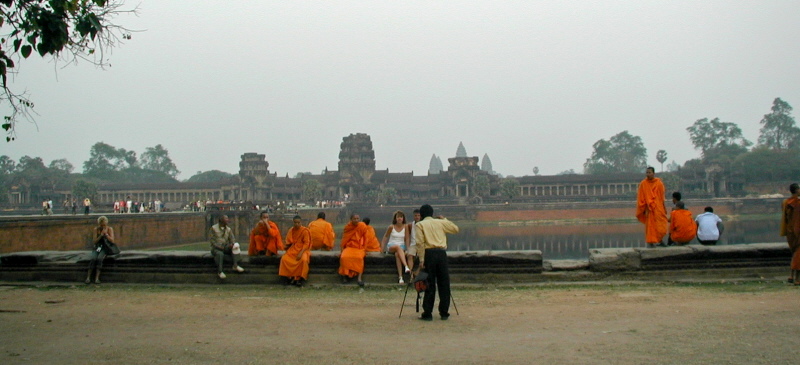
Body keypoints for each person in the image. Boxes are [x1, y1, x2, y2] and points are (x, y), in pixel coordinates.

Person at [415, 204, 459, 321]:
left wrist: (421, 259)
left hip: (429, 254)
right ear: (432, 213)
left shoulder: (420, 225)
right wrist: (444, 219)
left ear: (422, 214)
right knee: (444, 283)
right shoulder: (440, 223)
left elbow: (420, 243)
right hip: (441, 254)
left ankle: (428, 312)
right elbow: (455, 229)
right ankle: (444, 312)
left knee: (429, 283)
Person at [636, 167, 667, 248]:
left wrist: (663, 207)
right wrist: (644, 206)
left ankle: (659, 240)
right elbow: (641, 197)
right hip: (649, 208)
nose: (648, 174)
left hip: (658, 207)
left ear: (654, 173)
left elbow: (661, 196)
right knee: (651, 226)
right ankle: (651, 242)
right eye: (647, 172)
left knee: (662, 225)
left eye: (649, 172)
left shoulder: (659, 183)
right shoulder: (643, 183)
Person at [380, 210, 412, 284]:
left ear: (403, 218)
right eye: (398, 217)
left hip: (402, 247)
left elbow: (407, 238)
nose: (399, 219)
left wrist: (408, 249)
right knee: (397, 247)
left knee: (397, 255)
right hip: (392, 246)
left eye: (401, 217)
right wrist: (382, 248)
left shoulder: (406, 227)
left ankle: (400, 277)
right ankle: (406, 266)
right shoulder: (391, 227)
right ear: (395, 218)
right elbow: (385, 237)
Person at [279, 215, 312, 287]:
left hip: (303, 249)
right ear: (293, 223)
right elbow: (288, 241)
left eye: (298, 223)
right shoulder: (291, 230)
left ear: (301, 222)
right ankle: (289, 277)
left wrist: (300, 253)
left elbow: (307, 243)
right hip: (293, 249)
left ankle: (299, 278)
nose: (297, 224)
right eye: (295, 223)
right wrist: (285, 247)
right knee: (284, 259)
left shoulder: (305, 231)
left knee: (303, 260)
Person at [209, 215, 245, 280]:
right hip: (216, 248)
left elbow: (232, 239)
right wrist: (219, 247)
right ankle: (220, 271)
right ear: (221, 220)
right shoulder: (214, 228)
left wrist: (232, 244)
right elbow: (212, 241)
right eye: (226, 218)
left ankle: (235, 265)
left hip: (225, 246)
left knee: (235, 247)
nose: (228, 220)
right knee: (220, 254)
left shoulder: (228, 229)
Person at [338, 214, 368, 286]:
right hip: (349, 247)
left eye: (358, 218)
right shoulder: (348, 227)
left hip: (359, 247)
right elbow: (344, 239)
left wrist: (365, 248)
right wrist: (342, 248)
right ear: (351, 219)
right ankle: (344, 276)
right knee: (343, 257)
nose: (356, 220)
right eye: (354, 219)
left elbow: (366, 238)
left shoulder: (362, 226)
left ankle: (359, 278)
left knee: (359, 258)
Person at [86, 216, 115, 284]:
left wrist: (106, 235)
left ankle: (97, 278)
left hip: (105, 247)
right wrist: (101, 235)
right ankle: (88, 277)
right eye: (101, 225)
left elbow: (112, 241)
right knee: (93, 258)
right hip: (98, 247)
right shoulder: (96, 229)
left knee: (99, 258)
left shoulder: (109, 229)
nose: (103, 226)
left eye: (104, 225)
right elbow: (95, 241)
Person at [780, 183, 800, 284]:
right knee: (798, 254)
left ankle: (791, 276)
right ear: (797, 190)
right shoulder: (797, 203)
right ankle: (797, 279)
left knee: (794, 253)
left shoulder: (785, 202)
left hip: (789, 232)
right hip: (797, 231)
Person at [406, 209, 421, 273]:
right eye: (415, 215)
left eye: (418, 215)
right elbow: (407, 237)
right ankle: (411, 272)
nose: (417, 217)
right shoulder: (410, 225)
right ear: (413, 216)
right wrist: (408, 247)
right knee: (410, 255)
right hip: (413, 244)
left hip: (421, 244)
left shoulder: (423, 224)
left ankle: (417, 272)